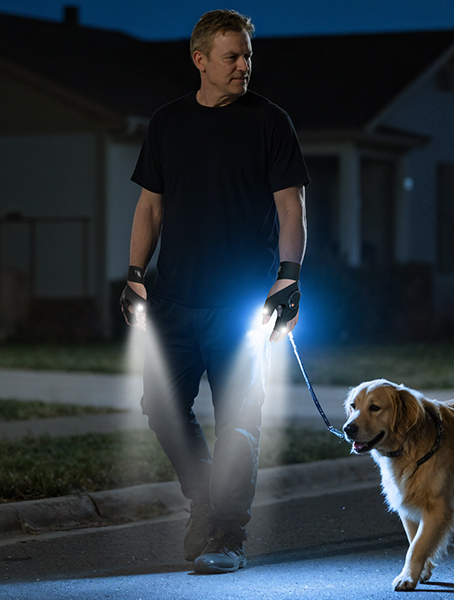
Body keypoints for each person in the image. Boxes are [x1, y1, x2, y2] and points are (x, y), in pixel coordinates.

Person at [121, 8, 308, 575]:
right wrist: (133, 273)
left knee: (239, 421)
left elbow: (290, 205)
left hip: (242, 302)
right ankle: (205, 503)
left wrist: (290, 276)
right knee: (161, 406)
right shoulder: (168, 123)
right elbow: (150, 205)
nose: (244, 66)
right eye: (233, 56)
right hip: (173, 297)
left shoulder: (269, 121)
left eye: (248, 55)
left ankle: (227, 535)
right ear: (200, 60)